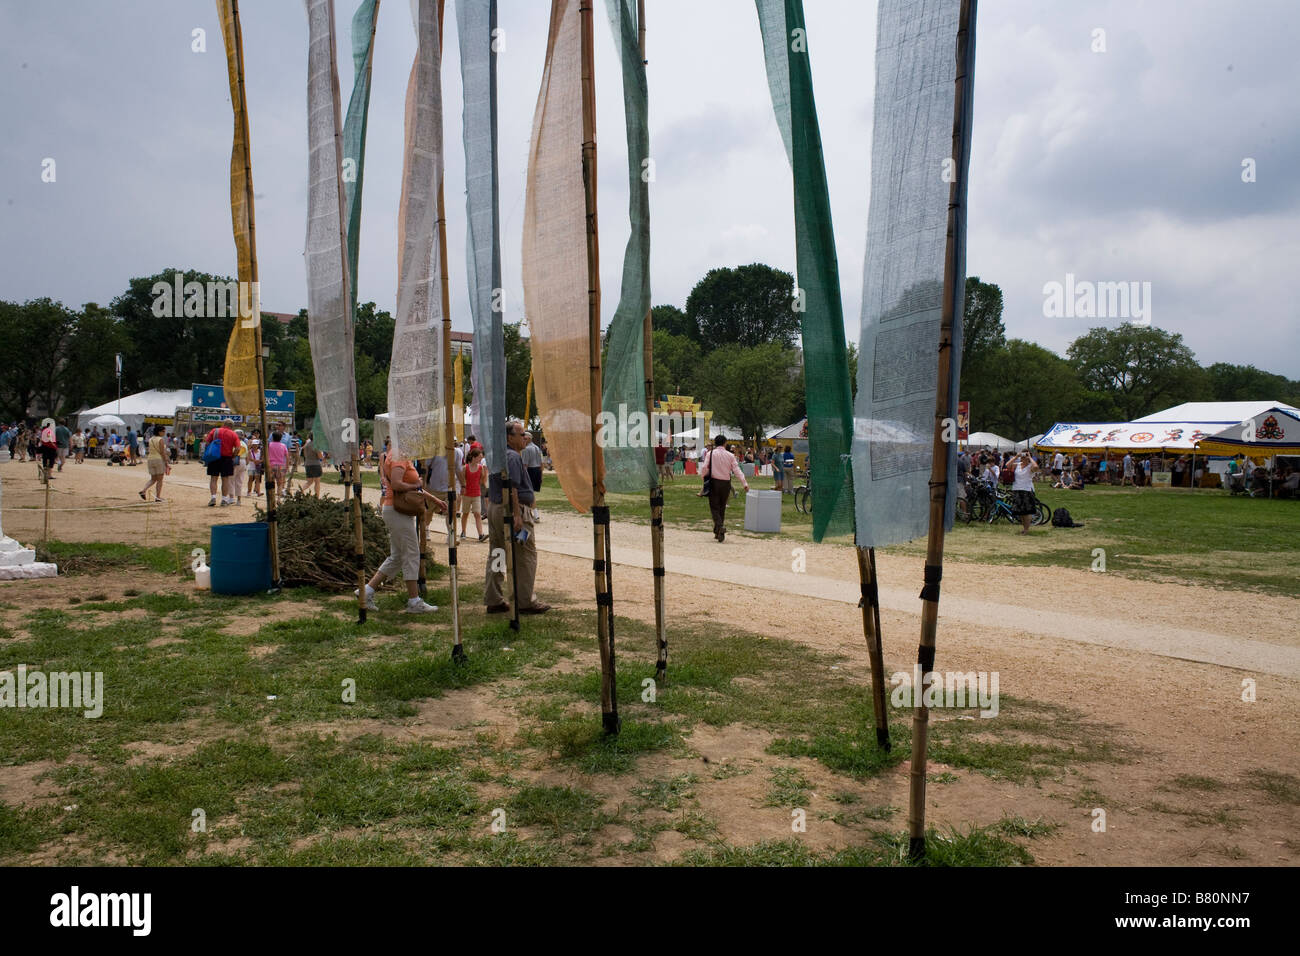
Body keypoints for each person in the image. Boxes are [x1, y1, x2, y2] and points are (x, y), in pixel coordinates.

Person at [356, 448, 442, 614]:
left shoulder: (398, 454)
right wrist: (417, 483)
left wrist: (434, 499)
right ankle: (414, 601)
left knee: (396, 557)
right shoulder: (399, 456)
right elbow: (397, 484)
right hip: (397, 511)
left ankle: (366, 592)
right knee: (411, 553)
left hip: (395, 510)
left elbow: (409, 487)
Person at [484, 420, 549, 615]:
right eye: (521, 435)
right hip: (514, 508)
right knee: (525, 556)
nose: (525, 438)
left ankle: (493, 598)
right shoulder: (512, 456)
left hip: (497, 508)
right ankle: (525, 601)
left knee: (497, 553)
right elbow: (510, 486)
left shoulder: (497, 454)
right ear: (509, 437)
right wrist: (517, 514)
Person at [702, 434, 750, 542]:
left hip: (714, 482)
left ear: (715, 443)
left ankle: (719, 526)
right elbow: (737, 470)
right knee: (722, 507)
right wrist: (744, 483)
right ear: (725, 443)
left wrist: (704, 479)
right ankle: (718, 531)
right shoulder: (730, 455)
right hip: (726, 484)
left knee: (714, 507)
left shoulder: (710, 453)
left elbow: (705, 467)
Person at [204, 418, 240, 506]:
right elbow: (238, 448)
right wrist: (233, 456)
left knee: (213, 478)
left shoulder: (215, 431)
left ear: (224, 424)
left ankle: (213, 498)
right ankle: (224, 500)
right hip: (227, 458)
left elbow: (207, 443)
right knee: (225, 479)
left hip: (215, 457)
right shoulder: (234, 434)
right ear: (232, 426)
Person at [460, 446, 487, 542]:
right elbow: (463, 480)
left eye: (481, 457)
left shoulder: (480, 468)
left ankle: (480, 534)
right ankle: (463, 531)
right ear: (474, 457)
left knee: (477, 514)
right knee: (465, 513)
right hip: (467, 494)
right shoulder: (465, 468)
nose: (481, 459)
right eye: (479, 457)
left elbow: (482, 479)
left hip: (476, 494)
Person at [138, 425, 171, 502]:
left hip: (150, 459)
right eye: (163, 431)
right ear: (159, 432)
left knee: (153, 479)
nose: (164, 432)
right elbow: (162, 452)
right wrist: (166, 462)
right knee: (160, 479)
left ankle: (143, 490)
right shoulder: (160, 439)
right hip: (158, 459)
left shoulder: (151, 439)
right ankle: (158, 497)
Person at [1009, 450, 1038, 535]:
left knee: (1026, 511)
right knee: (1020, 512)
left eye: (1024, 456)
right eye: (1022, 455)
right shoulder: (1017, 465)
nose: (1023, 457)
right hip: (1017, 489)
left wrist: (1030, 457)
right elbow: (1007, 465)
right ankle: (1024, 528)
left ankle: (1026, 529)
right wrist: (1016, 457)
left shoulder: (1030, 466)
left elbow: (1036, 467)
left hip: (1027, 490)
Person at [521, 431, 543, 522]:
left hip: (530, 471)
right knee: (531, 493)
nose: (523, 439)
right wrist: (541, 475)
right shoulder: (537, 448)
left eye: (525, 438)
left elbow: (525, 465)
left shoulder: (526, 449)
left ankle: (533, 514)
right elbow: (541, 463)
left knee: (528, 493)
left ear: (529, 438)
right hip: (537, 470)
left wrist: (522, 476)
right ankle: (533, 514)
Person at [266, 431, 289, 504]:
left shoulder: (269, 445)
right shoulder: (283, 445)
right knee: (280, 484)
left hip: (271, 466)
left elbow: (266, 455)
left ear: (272, 437)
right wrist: (287, 466)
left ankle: (271, 498)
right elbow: (287, 457)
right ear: (281, 438)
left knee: (270, 482)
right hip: (280, 466)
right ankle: (278, 498)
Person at [301, 433, 323, 498]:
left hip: (308, 464)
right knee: (317, 482)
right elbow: (320, 457)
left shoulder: (307, 445)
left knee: (309, 482)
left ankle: (301, 491)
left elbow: (305, 455)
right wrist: (323, 456)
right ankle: (317, 497)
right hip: (315, 464)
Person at [231, 430, 249, 505]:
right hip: (243, 461)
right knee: (239, 481)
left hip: (236, 461)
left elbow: (233, 452)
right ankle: (239, 500)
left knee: (231, 479)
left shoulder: (234, 443)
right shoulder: (244, 444)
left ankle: (231, 498)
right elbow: (247, 455)